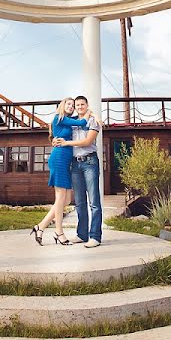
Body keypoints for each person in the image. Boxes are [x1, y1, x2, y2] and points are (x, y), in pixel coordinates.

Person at [30, 97, 86, 246]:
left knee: (66, 200)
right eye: (69, 104)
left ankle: (40, 226)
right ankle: (59, 233)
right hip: (59, 159)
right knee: (61, 198)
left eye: (73, 105)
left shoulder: (66, 119)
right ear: (62, 105)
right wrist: (90, 113)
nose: (71, 106)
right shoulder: (59, 117)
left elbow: (77, 119)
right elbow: (81, 122)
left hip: (65, 161)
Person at [56, 95, 102, 248]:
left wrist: (66, 142)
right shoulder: (73, 121)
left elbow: (87, 141)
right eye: (78, 105)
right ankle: (82, 235)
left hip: (90, 162)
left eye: (83, 104)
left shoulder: (93, 121)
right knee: (80, 202)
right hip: (75, 165)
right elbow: (59, 132)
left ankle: (95, 236)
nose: (80, 107)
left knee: (94, 202)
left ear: (87, 105)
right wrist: (55, 140)